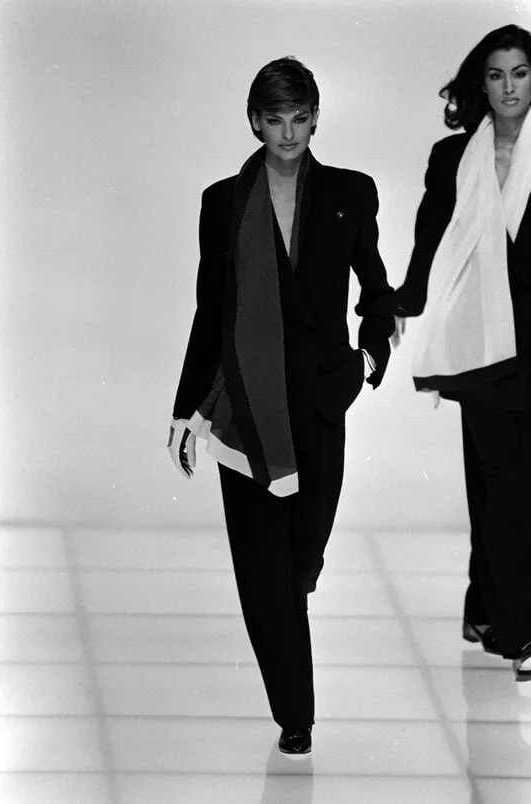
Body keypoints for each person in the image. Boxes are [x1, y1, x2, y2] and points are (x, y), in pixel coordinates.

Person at [168, 57, 394, 753]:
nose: (288, 132)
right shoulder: (222, 203)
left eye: (299, 117)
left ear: (316, 117)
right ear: (254, 122)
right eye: (275, 119)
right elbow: (211, 310)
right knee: (264, 574)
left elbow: (376, 289)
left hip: (320, 401)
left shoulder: (351, 192)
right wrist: (185, 409)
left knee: (300, 563)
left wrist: (368, 358)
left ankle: (293, 663)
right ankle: (295, 716)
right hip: (243, 406)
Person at [393, 25, 531, 681]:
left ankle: (484, 606)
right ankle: (519, 632)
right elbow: (430, 239)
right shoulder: (453, 156)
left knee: (500, 485)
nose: (509, 87)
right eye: (497, 75)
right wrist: (400, 303)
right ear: (481, 82)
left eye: (520, 73)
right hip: (480, 346)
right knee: (505, 484)